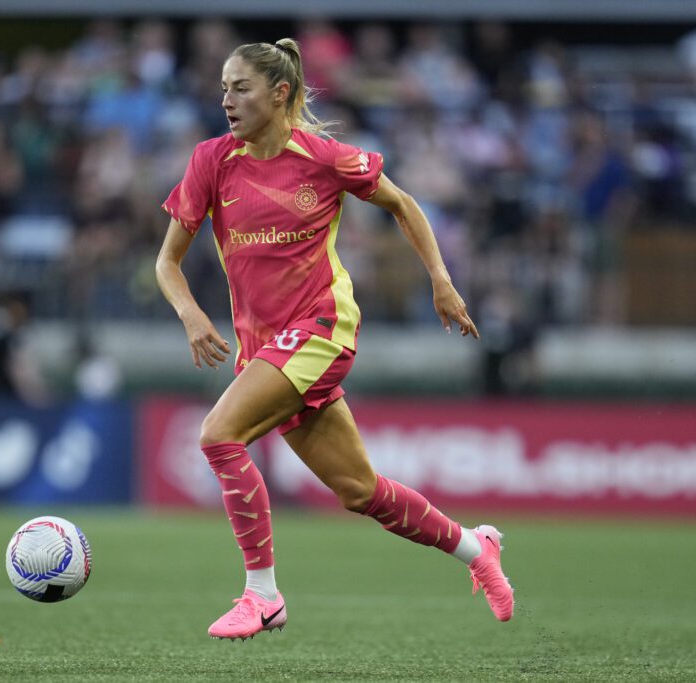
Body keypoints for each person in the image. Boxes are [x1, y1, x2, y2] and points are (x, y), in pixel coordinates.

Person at [156, 38, 514, 641]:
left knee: (218, 437)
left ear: (280, 93)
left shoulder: (323, 159)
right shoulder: (212, 161)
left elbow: (403, 204)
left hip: (321, 327)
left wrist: (441, 281)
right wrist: (192, 314)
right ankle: (475, 547)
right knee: (360, 492)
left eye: (239, 88)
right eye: (222, 88)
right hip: (266, 347)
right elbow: (167, 262)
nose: (226, 100)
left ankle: (262, 596)